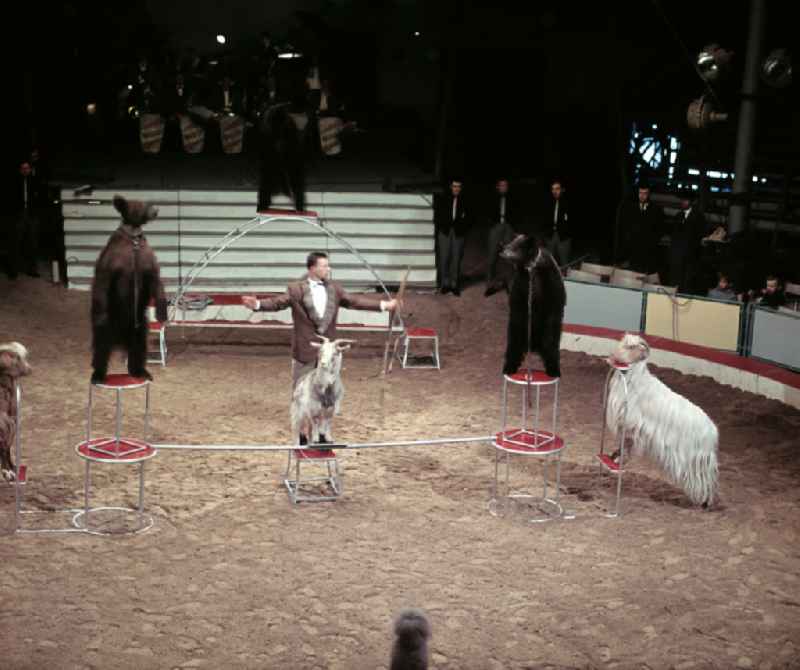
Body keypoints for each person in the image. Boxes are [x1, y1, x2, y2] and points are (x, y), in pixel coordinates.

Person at [242, 252, 398, 442]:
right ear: (312, 268)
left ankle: (323, 433)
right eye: (324, 266)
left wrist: (385, 305)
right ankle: (301, 433)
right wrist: (257, 304)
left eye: (328, 265)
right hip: (305, 350)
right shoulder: (296, 289)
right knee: (301, 395)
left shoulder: (335, 289)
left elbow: (356, 301)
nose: (328, 269)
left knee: (328, 395)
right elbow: (277, 303)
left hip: (328, 354)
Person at [618, 183, 664, 274]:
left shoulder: (656, 210)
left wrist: (652, 242)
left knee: (642, 274)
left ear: (649, 194)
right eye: (640, 193)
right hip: (631, 249)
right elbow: (625, 226)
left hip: (647, 250)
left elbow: (660, 229)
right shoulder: (630, 208)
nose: (642, 196)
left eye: (645, 193)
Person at [434, 178, 469, 296]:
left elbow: (470, 218)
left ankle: (454, 285)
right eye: (454, 186)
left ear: (461, 188)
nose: (456, 189)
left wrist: (463, 228)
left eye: (458, 187)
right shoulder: (443, 199)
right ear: (451, 187)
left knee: (456, 258)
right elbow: (437, 215)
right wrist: (443, 226)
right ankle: (445, 284)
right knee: (444, 258)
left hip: (459, 233)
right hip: (445, 232)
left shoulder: (465, 200)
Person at [485, 178, 519, 295]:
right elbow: (485, 214)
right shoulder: (491, 198)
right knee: (492, 258)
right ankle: (490, 284)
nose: (503, 187)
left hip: (508, 228)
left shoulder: (513, 198)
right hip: (495, 227)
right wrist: (492, 227)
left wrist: (514, 230)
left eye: (505, 185)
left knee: (508, 258)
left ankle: (509, 284)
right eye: (501, 185)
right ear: (497, 187)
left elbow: (518, 214)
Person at [668, 197, 707, 293]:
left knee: (688, 279)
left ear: (691, 202)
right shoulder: (678, 215)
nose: (683, 202)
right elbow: (674, 234)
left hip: (691, 254)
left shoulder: (698, 216)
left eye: (686, 200)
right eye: (682, 200)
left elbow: (701, 234)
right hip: (678, 253)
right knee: (677, 277)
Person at [542, 179, 572, 267]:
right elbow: (544, 220)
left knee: (564, 261)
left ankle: (565, 279)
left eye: (557, 189)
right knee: (549, 261)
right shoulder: (547, 202)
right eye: (553, 189)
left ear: (562, 190)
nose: (555, 191)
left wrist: (568, 234)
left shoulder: (568, 203)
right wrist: (545, 235)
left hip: (564, 238)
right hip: (550, 236)